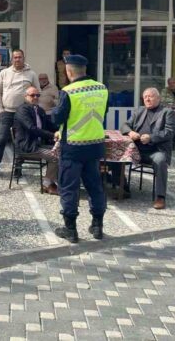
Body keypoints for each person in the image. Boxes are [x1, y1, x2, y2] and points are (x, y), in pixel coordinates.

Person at [51, 54, 107, 243]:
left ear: (68, 71)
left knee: (69, 188)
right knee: (95, 187)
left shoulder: (68, 91)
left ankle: (71, 229)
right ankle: (98, 226)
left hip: (73, 148)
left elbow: (56, 118)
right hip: (95, 146)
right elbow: (103, 112)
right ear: (84, 70)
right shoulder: (102, 88)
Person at [120, 88, 175, 209]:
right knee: (117, 154)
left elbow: (169, 133)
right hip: (136, 149)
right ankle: (123, 188)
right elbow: (124, 125)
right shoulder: (139, 110)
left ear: (158, 98)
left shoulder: (167, 112)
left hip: (156, 150)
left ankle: (160, 197)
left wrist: (151, 137)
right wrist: (130, 132)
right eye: (145, 97)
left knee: (161, 161)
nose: (147, 99)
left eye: (151, 96)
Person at [0, 49, 40, 178]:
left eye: (20, 57)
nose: (17, 59)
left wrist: (31, 108)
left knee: (20, 141)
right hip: (7, 111)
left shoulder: (31, 74)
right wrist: (0, 109)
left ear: (24, 58)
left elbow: (37, 92)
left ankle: (18, 168)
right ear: (12, 59)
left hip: (23, 113)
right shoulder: (4, 73)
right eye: (15, 57)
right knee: (0, 141)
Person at [14, 86, 59, 195]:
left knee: (63, 151)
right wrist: (53, 135)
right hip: (28, 146)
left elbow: (50, 125)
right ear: (25, 96)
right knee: (56, 156)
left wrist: (61, 130)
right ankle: (47, 184)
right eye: (32, 95)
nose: (35, 97)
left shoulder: (40, 110)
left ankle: (54, 181)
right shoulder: (22, 110)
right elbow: (32, 129)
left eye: (37, 95)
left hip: (39, 145)